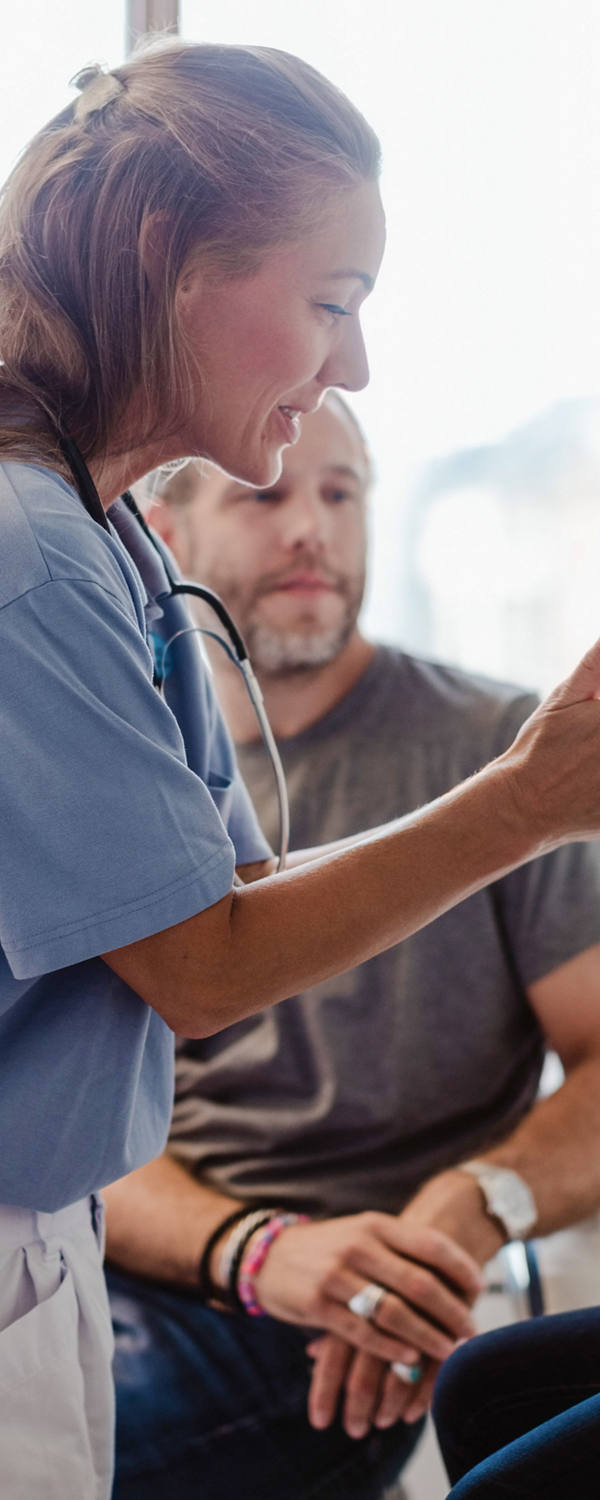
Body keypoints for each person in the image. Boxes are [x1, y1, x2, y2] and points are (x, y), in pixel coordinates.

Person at [2, 37, 600, 1500]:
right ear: (168, 261)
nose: (357, 366)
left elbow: (233, 895)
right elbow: (203, 968)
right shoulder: (30, 560)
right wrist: (529, 799)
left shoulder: (106, 545)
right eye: (332, 303)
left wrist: (525, 794)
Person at [104, 393, 600, 1500]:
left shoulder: (508, 757)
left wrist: (475, 1205)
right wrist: (253, 1250)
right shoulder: (132, 776)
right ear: (163, 534)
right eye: (266, 495)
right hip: (141, 1266)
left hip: (353, 1321)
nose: (311, 530)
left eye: (341, 493)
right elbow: (77, 1121)